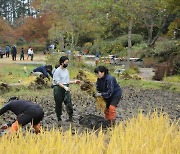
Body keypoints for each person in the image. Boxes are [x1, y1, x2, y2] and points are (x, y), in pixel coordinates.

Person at [52, 56, 80, 124]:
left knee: (69, 102)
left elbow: (66, 81)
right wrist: (64, 87)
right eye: (66, 63)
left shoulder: (66, 71)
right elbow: (57, 82)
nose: (67, 64)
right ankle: (59, 118)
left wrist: (74, 81)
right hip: (58, 88)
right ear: (62, 63)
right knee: (58, 103)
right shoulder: (57, 71)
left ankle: (70, 117)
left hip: (66, 88)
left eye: (67, 63)